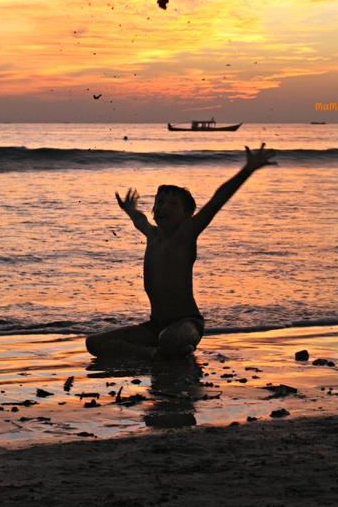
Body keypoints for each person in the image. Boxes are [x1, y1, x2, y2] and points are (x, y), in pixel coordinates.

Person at [86, 143, 276, 361]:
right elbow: (140, 220)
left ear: (187, 216)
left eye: (173, 204)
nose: (164, 207)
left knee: (169, 339)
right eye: (160, 202)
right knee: (94, 343)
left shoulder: (186, 236)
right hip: (155, 326)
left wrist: (248, 169)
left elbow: (217, 200)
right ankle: (156, 354)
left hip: (188, 324)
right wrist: (131, 210)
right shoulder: (152, 235)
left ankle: (166, 350)